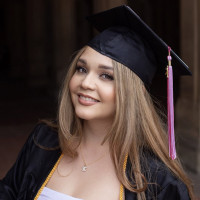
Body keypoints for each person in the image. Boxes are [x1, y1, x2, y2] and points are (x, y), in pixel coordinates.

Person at [0, 5, 195, 200]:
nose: (85, 83)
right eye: (82, 69)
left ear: (134, 93)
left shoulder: (158, 181)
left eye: (106, 76)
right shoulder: (43, 142)